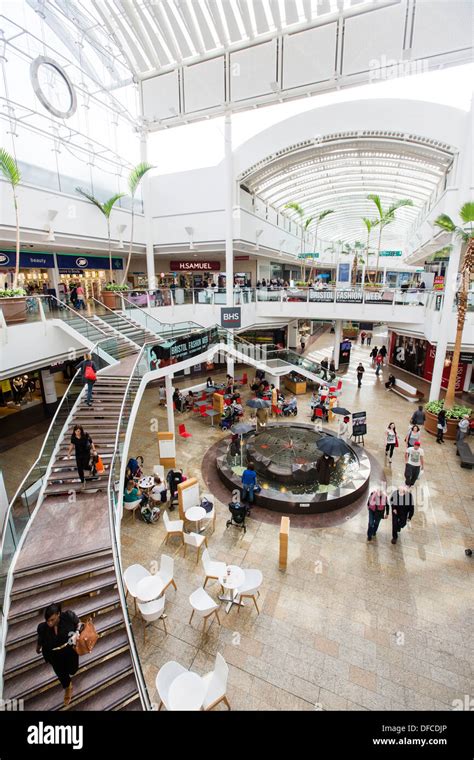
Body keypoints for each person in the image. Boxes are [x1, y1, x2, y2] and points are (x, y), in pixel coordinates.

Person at [36, 603, 82, 706]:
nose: (49, 623)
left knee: (73, 669)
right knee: (61, 674)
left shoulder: (69, 616)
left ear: (58, 614)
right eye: (47, 620)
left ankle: (69, 674)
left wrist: (77, 632)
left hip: (70, 651)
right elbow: (40, 639)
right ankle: (68, 687)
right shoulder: (42, 627)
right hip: (53, 655)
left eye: (52, 620)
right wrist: (38, 648)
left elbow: (79, 623)